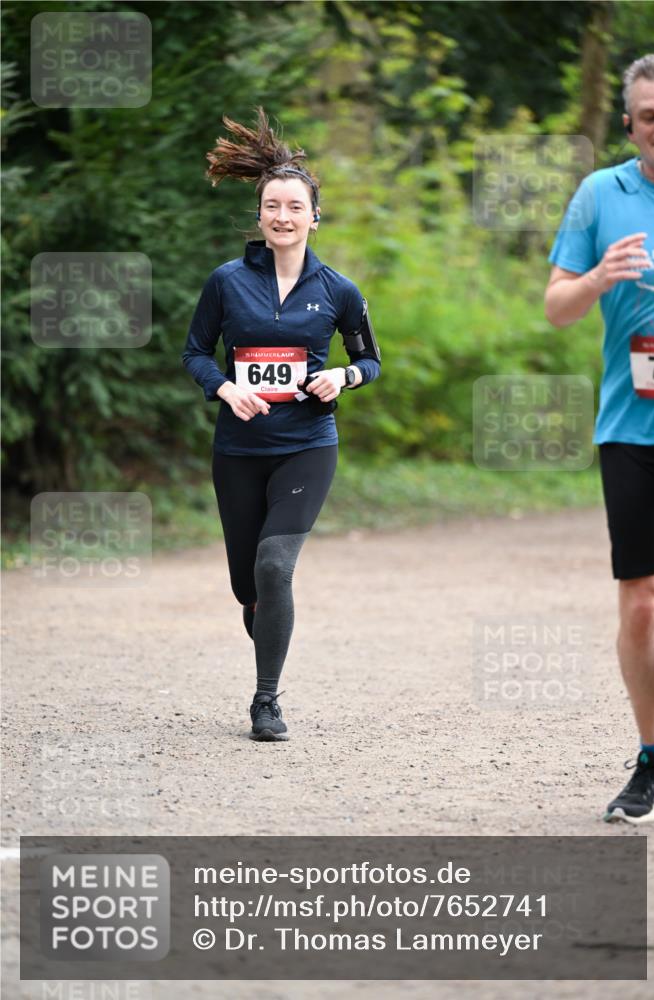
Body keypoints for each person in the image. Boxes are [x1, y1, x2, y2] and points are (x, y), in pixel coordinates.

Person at [182, 108, 381, 742]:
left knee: (275, 566)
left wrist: (342, 378)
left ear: (313, 217)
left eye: (296, 206)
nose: (283, 216)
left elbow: (370, 360)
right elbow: (194, 353)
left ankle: (265, 700)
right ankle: (266, 622)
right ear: (261, 214)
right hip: (238, 449)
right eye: (273, 205)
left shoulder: (339, 290)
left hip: (307, 444)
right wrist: (224, 385)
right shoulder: (226, 282)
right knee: (249, 585)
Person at [545, 54, 654, 823]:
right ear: (629, 124)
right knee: (641, 612)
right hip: (631, 430)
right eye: (648, 115)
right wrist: (597, 280)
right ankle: (653, 756)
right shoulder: (600, 194)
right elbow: (556, 306)